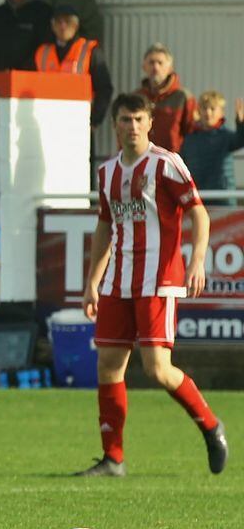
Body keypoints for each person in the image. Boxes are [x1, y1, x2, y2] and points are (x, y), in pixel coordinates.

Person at [77, 93, 228, 477]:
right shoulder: (108, 171)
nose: (132, 127)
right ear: (115, 125)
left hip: (158, 279)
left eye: (138, 119)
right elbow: (105, 225)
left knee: (157, 368)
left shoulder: (166, 163)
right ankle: (113, 459)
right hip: (117, 281)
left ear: (149, 123)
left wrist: (196, 260)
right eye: (125, 120)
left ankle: (210, 425)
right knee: (108, 364)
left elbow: (198, 212)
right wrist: (93, 280)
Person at [33, 5, 113, 131]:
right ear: (52, 26)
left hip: (80, 121)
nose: (63, 26)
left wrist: (94, 121)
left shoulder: (90, 51)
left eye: (68, 21)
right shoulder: (42, 52)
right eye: (58, 22)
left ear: (76, 25)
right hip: (47, 122)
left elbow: (104, 88)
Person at [182, 92, 244, 204]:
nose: (208, 112)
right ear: (199, 111)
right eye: (204, 108)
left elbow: (241, 139)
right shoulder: (189, 139)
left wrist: (241, 123)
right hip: (198, 198)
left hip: (224, 199)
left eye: (212, 108)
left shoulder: (226, 136)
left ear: (221, 112)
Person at [135, 43, 195, 153]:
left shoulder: (183, 97)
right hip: (142, 161)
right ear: (144, 67)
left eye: (160, 63)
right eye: (151, 62)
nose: (155, 67)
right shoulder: (136, 97)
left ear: (170, 68)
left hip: (171, 162)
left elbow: (192, 134)